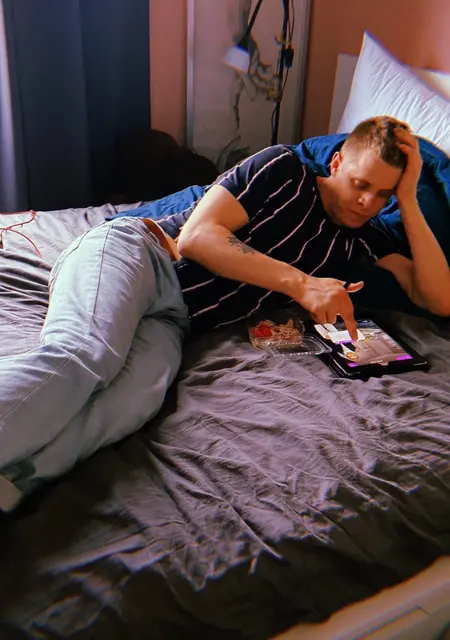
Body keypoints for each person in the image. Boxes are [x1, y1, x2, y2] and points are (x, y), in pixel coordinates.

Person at [1, 115, 449, 510]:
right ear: (336, 164)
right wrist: (302, 284)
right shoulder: (284, 169)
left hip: (175, 319)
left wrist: (408, 199)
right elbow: (197, 238)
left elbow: (438, 299)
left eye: (382, 194)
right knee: (87, 354)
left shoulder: (365, 239)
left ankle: (13, 482)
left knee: (133, 400)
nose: (367, 202)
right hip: (140, 253)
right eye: (361, 184)